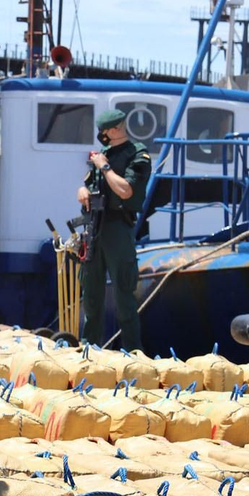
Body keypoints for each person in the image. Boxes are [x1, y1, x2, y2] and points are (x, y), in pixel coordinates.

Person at [75, 108, 151, 352]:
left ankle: (133, 351)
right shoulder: (103, 155)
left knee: (123, 295)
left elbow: (126, 190)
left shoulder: (137, 154)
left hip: (118, 227)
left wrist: (106, 167)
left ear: (116, 129)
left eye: (104, 131)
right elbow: (88, 185)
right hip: (95, 226)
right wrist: (83, 192)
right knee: (92, 291)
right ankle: (89, 347)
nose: (101, 136)